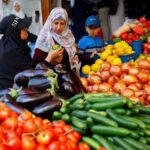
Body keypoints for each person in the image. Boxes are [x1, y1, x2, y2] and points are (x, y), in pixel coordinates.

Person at [33, 7, 79, 71]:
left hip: (68, 76)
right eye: (56, 23)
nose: (58, 27)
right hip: (51, 77)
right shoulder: (44, 39)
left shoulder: (69, 37)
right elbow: (37, 65)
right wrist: (52, 60)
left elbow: (74, 55)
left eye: (62, 23)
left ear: (66, 24)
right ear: (50, 23)